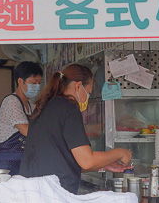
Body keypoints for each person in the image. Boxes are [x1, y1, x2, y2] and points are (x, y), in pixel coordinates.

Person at [20, 63, 132, 194]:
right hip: (54, 194)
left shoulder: (44, 106)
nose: (87, 99)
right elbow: (87, 161)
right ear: (78, 86)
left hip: (32, 190)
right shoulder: (69, 109)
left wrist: (103, 163)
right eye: (88, 93)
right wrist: (121, 153)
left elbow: (62, 159)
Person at [0, 61, 43, 174]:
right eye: (34, 82)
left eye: (39, 82)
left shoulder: (31, 105)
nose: (37, 86)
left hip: (21, 162)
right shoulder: (11, 102)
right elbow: (27, 131)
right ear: (20, 81)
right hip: (5, 163)